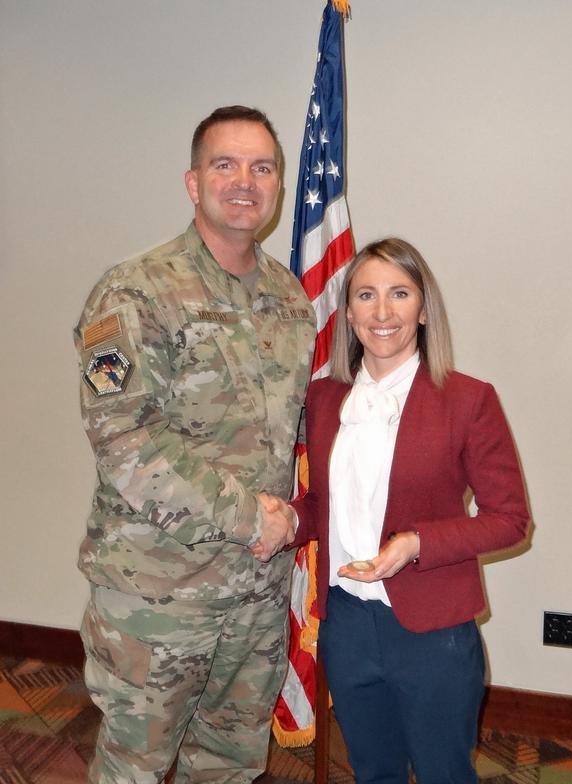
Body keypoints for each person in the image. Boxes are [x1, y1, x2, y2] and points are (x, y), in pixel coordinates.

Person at [74, 105, 316, 784]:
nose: (246, 180)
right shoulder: (136, 292)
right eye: (226, 164)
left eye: (263, 167)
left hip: (255, 596)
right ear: (193, 182)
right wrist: (249, 518)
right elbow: (124, 439)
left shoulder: (290, 301)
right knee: (135, 771)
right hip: (159, 599)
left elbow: (294, 437)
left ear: (277, 186)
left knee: (232, 768)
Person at [253, 238, 530, 784]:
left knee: (443, 772)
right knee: (372, 770)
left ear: (424, 310)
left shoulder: (468, 399)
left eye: (399, 294)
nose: (382, 312)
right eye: (366, 295)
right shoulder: (325, 399)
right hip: (348, 624)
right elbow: (323, 505)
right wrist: (288, 521)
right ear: (348, 311)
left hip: (433, 631)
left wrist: (416, 544)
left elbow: (510, 519)